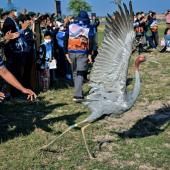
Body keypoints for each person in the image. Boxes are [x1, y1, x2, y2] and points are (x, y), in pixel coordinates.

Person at [65, 10, 93, 102]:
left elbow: (66, 38)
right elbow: (91, 41)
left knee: (75, 72)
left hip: (71, 51)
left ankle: (77, 93)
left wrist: (66, 52)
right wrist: (89, 54)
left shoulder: (70, 26)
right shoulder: (89, 27)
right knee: (80, 73)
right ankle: (78, 95)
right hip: (82, 52)